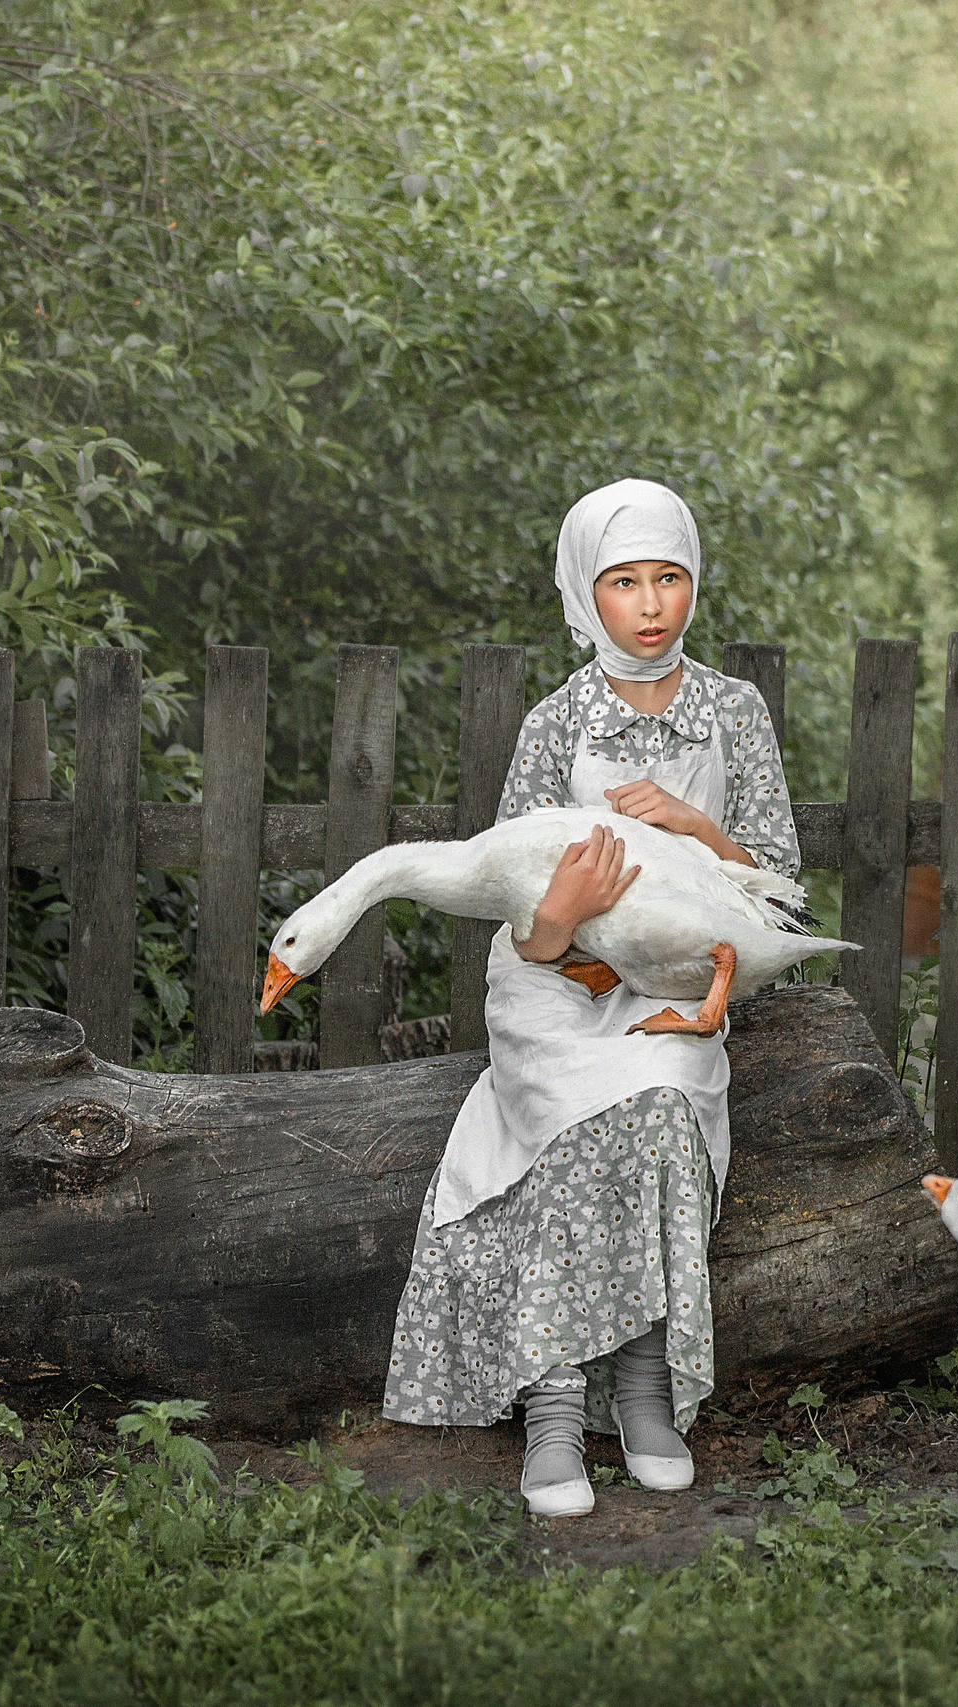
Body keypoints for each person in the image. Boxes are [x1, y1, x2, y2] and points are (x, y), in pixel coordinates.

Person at [380, 478, 799, 1516]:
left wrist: (700, 836)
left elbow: (782, 883)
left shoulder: (732, 713)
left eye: (669, 577)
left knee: (659, 1107)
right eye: (623, 582)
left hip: (670, 976)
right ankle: (555, 1402)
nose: (650, 604)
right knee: (566, 1121)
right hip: (553, 982)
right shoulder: (553, 722)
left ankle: (644, 1384)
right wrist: (563, 916)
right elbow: (514, 904)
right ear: (585, 592)